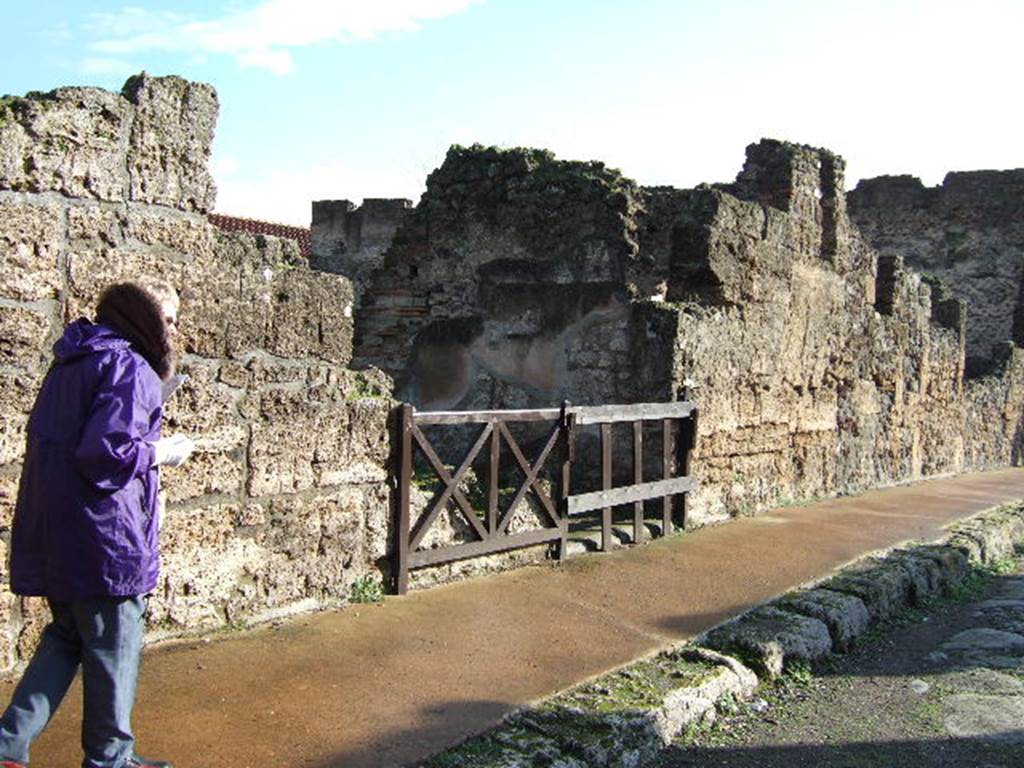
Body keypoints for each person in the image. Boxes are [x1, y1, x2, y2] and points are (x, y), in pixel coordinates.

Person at [0, 279, 195, 768]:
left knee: (67, 636)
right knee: (116, 644)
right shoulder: (127, 365)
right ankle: (110, 758)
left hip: (58, 529)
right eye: (167, 320)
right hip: (104, 537)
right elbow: (104, 453)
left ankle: (7, 745)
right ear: (144, 319)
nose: (174, 331)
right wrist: (159, 452)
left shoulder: (73, 361)